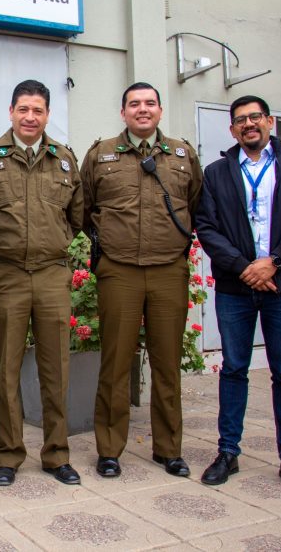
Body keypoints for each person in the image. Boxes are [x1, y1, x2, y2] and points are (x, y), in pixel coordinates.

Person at [196, 95, 281, 495]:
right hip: (237, 288)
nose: (249, 124)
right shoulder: (216, 173)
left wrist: (275, 260)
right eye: (241, 120)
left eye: (256, 117)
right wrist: (244, 268)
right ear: (232, 130)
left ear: (269, 121)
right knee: (234, 368)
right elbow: (207, 226)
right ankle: (228, 452)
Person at [0, 79, 83, 487]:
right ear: (11, 112)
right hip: (8, 275)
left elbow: (78, 217)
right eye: (23, 109)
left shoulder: (64, 159)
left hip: (51, 274)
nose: (30, 117)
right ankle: (9, 454)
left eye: (38, 110)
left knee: (57, 371)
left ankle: (57, 454)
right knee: (7, 371)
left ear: (47, 115)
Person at [80, 82, 203, 479]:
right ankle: (110, 450)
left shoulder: (183, 155)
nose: (143, 110)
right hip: (119, 270)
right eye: (135, 104)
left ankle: (168, 450)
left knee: (167, 364)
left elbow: (197, 207)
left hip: (169, 269)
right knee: (115, 364)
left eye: (150, 103)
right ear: (123, 112)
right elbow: (83, 209)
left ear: (160, 111)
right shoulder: (100, 155)